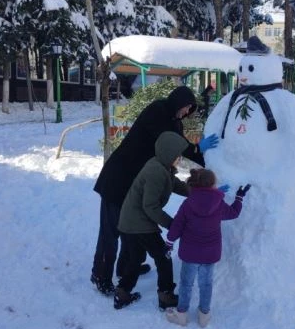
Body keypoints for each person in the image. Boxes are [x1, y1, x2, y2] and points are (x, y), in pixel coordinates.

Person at [91, 85, 220, 296]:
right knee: (111, 232)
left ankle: (125, 268)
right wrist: (196, 148)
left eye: (190, 110)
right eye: (187, 107)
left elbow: (181, 150)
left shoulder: (175, 123)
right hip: (118, 178)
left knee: (130, 228)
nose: (187, 112)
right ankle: (100, 275)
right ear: (178, 101)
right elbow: (169, 141)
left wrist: (206, 166)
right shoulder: (157, 111)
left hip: (137, 182)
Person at [114, 131, 191, 310]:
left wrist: (193, 191)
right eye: (177, 155)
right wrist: (173, 225)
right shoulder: (156, 171)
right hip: (138, 222)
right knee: (163, 257)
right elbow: (150, 207)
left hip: (129, 220)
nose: (180, 158)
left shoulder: (162, 166)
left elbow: (173, 184)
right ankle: (166, 295)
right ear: (168, 153)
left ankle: (122, 293)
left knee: (134, 259)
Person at [164, 169, 248, 327]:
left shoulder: (188, 203)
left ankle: (181, 314)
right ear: (212, 184)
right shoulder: (218, 203)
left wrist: (169, 242)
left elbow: (177, 225)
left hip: (190, 253)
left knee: (186, 284)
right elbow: (233, 213)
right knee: (206, 284)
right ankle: (204, 315)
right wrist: (239, 197)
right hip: (210, 253)